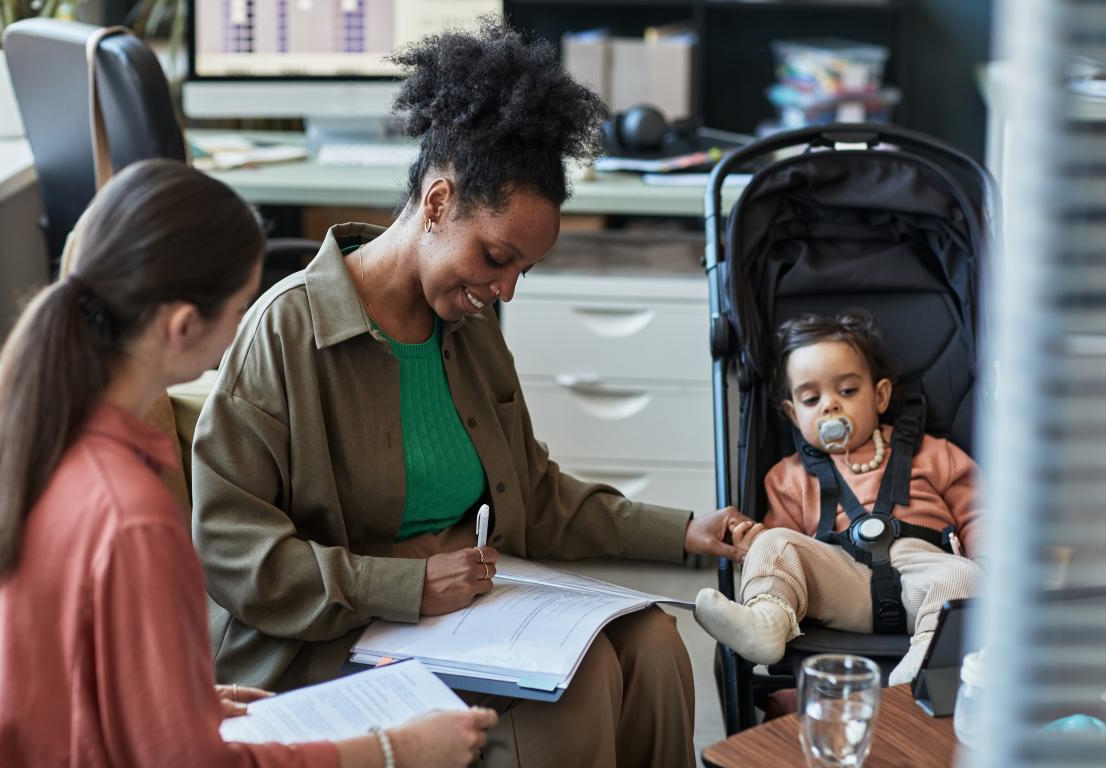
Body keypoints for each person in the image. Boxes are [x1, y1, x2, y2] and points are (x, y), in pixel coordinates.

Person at [190, 18, 750, 768]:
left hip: (462, 611)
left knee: (653, 644)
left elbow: (532, 494)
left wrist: (683, 530)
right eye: (496, 256)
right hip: (325, 640)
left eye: (523, 271)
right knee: (575, 695)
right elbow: (234, 554)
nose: (505, 288)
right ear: (436, 202)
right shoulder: (286, 332)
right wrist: (406, 585)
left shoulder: (470, 323)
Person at [0, 160, 497, 768]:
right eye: (237, 312)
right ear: (183, 327)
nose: (243, 329)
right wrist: (393, 750)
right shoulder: (134, 518)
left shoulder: (39, 449)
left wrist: (177, 698)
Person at [694, 310, 984, 686]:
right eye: (811, 398)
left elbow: (978, 514)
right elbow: (790, 552)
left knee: (966, 575)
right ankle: (768, 619)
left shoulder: (934, 453)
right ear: (793, 415)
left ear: (880, 395)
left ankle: (927, 655)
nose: (830, 405)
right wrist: (755, 544)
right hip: (838, 581)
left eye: (847, 391)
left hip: (924, 572)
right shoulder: (788, 476)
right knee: (774, 542)